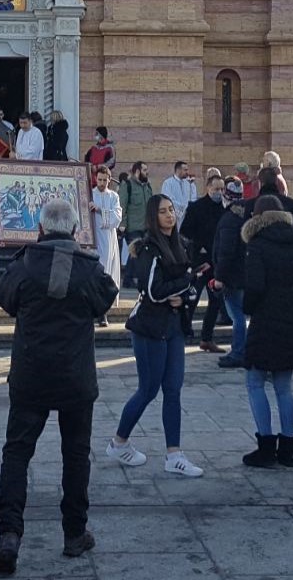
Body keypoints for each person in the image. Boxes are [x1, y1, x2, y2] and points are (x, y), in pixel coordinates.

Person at [0, 198, 121, 574]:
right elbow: (106, 299)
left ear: (41, 230)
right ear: (76, 231)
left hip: (31, 374)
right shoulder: (89, 270)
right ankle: (74, 533)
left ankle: (10, 533)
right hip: (75, 377)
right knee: (75, 455)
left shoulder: (25, 264)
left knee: (17, 453)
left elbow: (5, 299)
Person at [105, 194, 204, 477]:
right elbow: (153, 291)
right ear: (153, 216)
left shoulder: (182, 245)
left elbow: (192, 289)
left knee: (173, 389)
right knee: (148, 390)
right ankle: (118, 442)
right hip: (149, 328)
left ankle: (174, 455)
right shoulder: (148, 248)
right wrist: (181, 288)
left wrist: (182, 297)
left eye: (172, 210)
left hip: (173, 327)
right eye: (163, 211)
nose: (170, 215)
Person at [239, 195, 293, 468]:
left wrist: (249, 307)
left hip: (265, 320)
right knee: (284, 386)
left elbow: (255, 286)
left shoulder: (257, 245)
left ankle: (266, 446)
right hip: (292, 318)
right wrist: (291, 299)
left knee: (255, 381)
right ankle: (288, 449)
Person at [179, 173, 228, 352]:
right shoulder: (196, 207)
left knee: (215, 301)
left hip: (216, 263)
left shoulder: (225, 208)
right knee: (192, 298)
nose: (219, 192)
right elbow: (184, 233)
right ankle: (184, 332)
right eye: (216, 189)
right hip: (199, 261)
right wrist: (198, 248)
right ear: (208, 188)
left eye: (221, 189)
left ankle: (207, 338)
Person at [211, 177, 251, 368]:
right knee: (241, 316)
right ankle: (242, 350)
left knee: (237, 317)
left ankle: (238, 352)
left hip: (232, 277)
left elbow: (226, 251)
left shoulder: (230, 219)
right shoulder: (247, 215)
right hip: (244, 274)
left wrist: (219, 277)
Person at [88, 167, 123, 310]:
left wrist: (100, 211)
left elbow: (117, 217)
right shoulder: (90, 194)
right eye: (99, 179)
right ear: (96, 178)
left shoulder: (114, 196)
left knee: (106, 269)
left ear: (109, 179)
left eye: (105, 180)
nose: (102, 183)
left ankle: (104, 308)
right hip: (93, 237)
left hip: (108, 237)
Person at [118, 162, 154, 262]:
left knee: (146, 257)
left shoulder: (147, 186)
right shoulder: (127, 185)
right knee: (135, 257)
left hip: (147, 229)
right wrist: (122, 224)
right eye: (145, 170)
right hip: (133, 229)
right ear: (138, 171)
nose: (147, 173)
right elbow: (122, 206)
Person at [159, 161, 197, 226]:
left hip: (188, 216)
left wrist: (189, 208)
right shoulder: (168, 183)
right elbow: (167, 199)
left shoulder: (190, 183)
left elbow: (193, 197)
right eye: (185, 170)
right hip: (174, 216)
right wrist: (181, 208)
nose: (187, 172)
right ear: (178, 170)